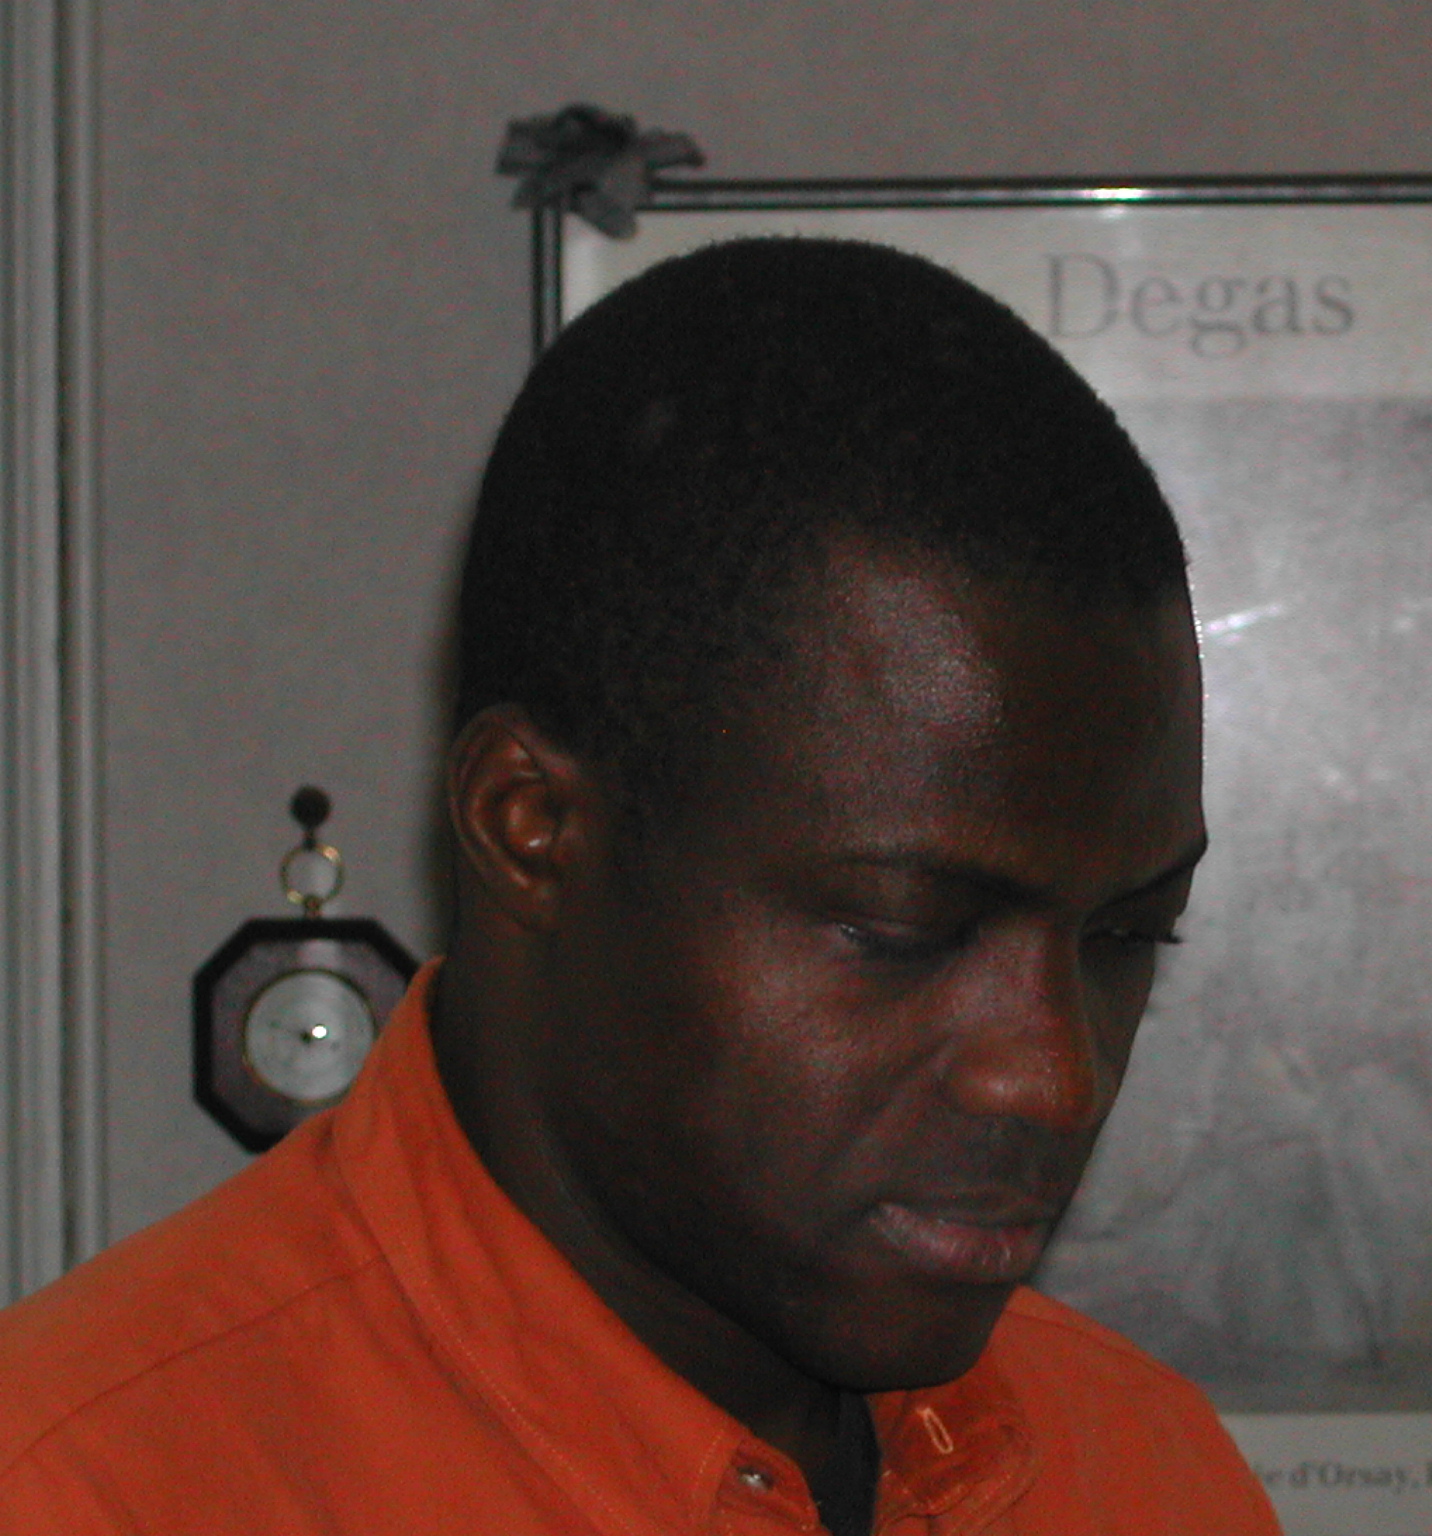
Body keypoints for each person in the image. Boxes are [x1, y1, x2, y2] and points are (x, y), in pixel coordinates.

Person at [0, 237, 1281, 1535]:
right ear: (531, 827)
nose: (1053, 1079)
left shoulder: (1150, 1475)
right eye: (905, 930)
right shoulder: (80, 1491)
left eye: (1132, 934)